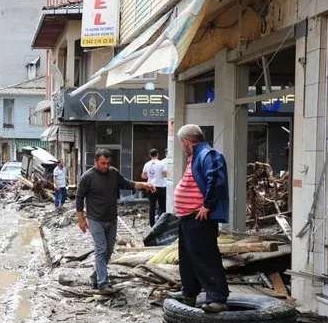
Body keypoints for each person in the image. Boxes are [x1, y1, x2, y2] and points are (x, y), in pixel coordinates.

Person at [76, 150, 156, 293]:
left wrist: (144, 185)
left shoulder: (113, 173)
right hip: (95, 219)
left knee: (108, 251)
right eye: (103, 163)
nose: (106, 166)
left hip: (112, 219)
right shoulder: (87, 177)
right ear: (95, 162)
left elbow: (127, 183)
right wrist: (81, 219)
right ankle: (103, 284)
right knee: (101, 249)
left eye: (108, 163)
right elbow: (79, 198)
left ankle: (95, 277)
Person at [169, 124, 230, 313]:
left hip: (200, 217)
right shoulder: (194, 157)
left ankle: (217, 298)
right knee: (187, 256)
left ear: (186, 142)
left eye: (181, 142)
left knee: (205, 256)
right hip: (188, 217)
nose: (181, 145)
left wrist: (207, 205)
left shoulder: (208, 155)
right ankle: (189, 291)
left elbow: (216, 180)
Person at [142, 149, 168, 227]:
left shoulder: (147, 164)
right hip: (160, 186)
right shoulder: (161, 163)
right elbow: (165, 174)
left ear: (150, 155)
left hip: (150, 186)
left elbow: (143, 176)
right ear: (157, 154)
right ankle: (161, 223)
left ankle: (152, 224)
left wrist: (150, 176)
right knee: (162, 205)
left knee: (152, 206)